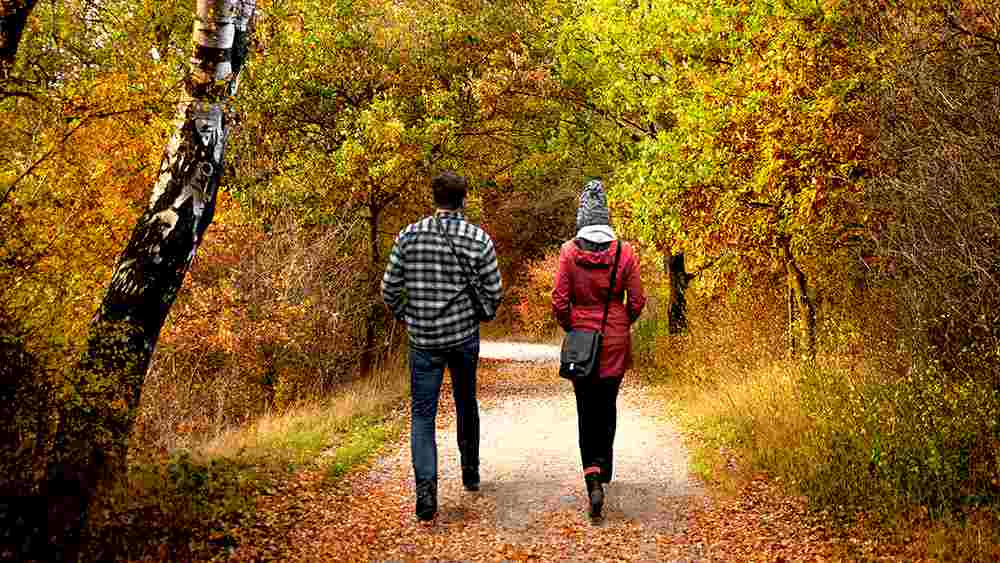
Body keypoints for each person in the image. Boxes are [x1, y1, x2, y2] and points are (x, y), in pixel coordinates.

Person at [381, 171, 503, 522]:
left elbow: (389, 290)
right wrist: (480, 312)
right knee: (467, 402)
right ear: (463, 199)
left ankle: (426, 491)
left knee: (422, 415)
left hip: (423, 340)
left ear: (434, 198)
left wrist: (408, 315)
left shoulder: (409, 236)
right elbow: (494, 293)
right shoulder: (478, 239)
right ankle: (470, 472)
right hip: (463, 337)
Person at [551, 179, 646, 519]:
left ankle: (591, 474)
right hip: (615, 340)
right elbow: (637, 300)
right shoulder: (625, 252)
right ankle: (604, 467)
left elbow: (560, 301)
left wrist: (573, 326)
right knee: (607, 404)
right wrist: (620, 321)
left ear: (581, 219)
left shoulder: (568, 252)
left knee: (585, 408)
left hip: (581, 341)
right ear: (606, 218)